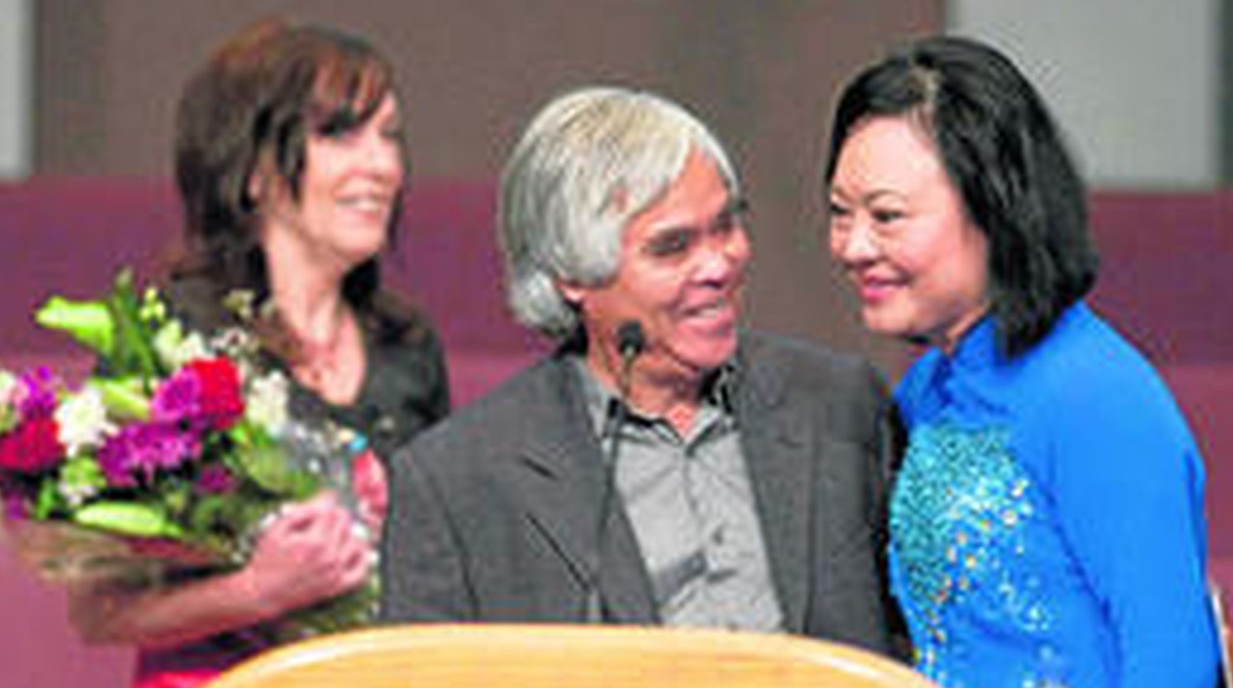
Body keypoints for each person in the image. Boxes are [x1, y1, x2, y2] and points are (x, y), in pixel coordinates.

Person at [824, 35, 1217, 688]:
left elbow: (1170, 652)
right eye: (840, 213)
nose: (852, 245)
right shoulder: (924, 392)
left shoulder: (1097, 397)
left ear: (994, 205)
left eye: (887, 215)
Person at [381, 85, 897, 652]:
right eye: (672, 248)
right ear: (572, 275)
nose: (719, 264)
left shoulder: (840, 402)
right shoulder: (459, 481)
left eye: (726, 226)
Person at [69, 19, 450, 688]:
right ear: (252, 168)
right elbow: (98, 607)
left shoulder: (408, 348)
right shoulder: (173, 340)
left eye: (391, 137)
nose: (382, 165)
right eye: (344, 135)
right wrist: (260, 590)